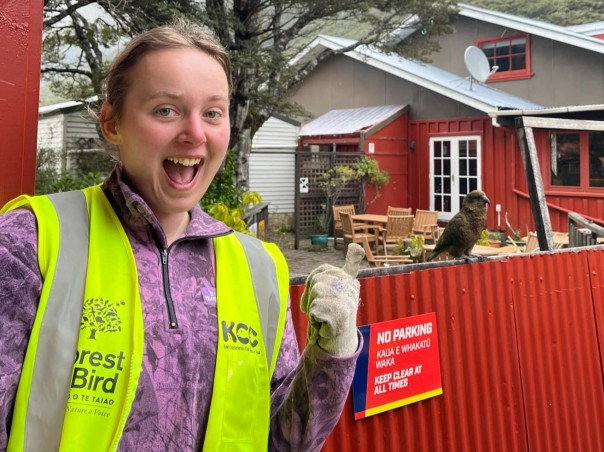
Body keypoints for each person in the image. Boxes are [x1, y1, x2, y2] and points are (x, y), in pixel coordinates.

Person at [0, 20, 364, 451]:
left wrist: (332, 354)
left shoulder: (259, 268)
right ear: (112, 122)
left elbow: (284, 441)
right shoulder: (31, 241)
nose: (195, 133)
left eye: (212, 112)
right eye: (166, 110)